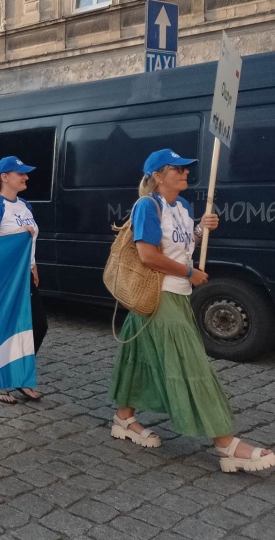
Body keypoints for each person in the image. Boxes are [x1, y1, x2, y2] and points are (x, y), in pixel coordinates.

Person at [108, 149, 274, 473]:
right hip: (160, 295)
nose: (185, 173)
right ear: (157, 175)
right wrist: (189, 274)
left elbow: (182, 249)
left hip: (176, 297)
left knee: (137, 357)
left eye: (186, 169)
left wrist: (200, 229)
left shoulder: (183, 207)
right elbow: (148, 256)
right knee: (193, 364)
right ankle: (227, 444)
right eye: (177, 169)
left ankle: (123, 418)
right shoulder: (147, 206)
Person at [0, 156, 48, 404]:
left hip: (22, 275)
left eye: (26, 173)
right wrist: (18, 233)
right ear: (4, 177)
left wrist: (33, 265)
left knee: (37, 325)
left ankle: (19, 375)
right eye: (21, 173)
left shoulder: (24, 204)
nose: (26, 177)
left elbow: (31, 240)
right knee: (3, 330)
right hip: (1, 279)